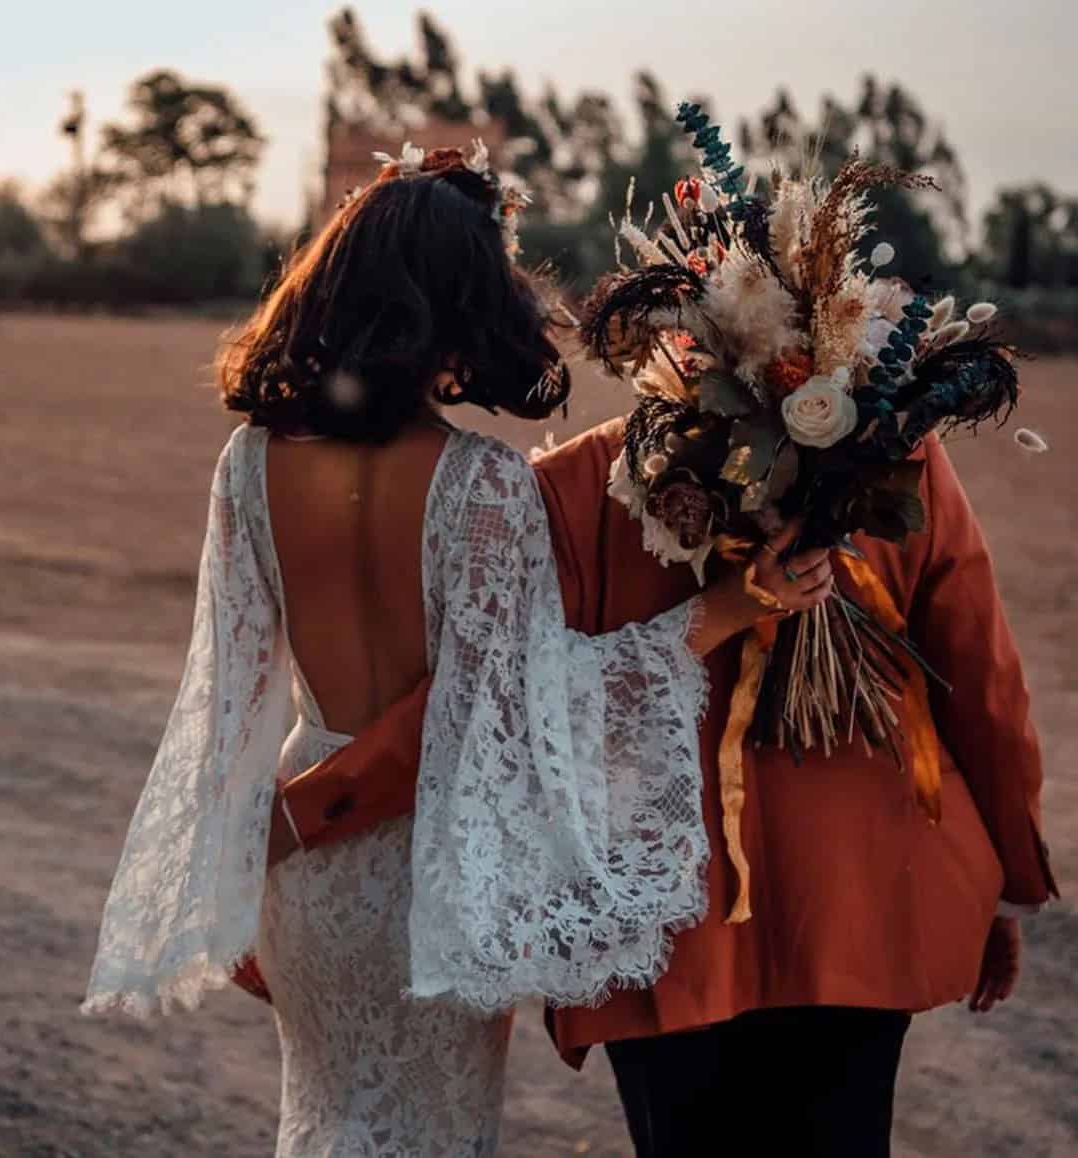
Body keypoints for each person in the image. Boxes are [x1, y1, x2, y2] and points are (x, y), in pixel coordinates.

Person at [81, 144, 834, 1158]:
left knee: (324, 1118)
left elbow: (227, 693)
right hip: (429, 865)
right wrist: (729, 610)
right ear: (457, 308)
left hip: (300, 852)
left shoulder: (250, 460)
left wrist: (242, 861)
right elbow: (511, 710)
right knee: (433, 1132)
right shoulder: (482, 485)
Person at [270, 405, 1057, 1157]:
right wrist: (1008, 880)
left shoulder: (584, 480)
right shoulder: (896, 455)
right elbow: (980, 674)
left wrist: (308, 810)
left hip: (664, 929)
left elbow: (493, 706)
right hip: (862, 903)